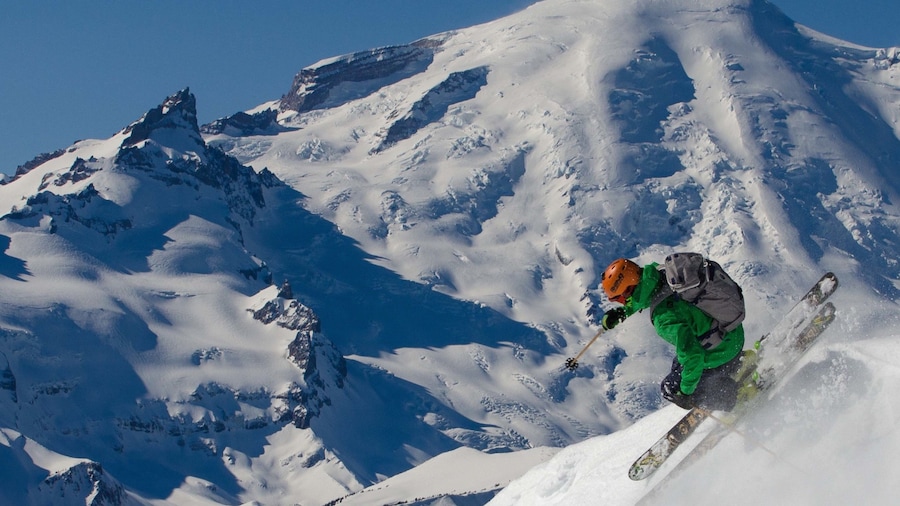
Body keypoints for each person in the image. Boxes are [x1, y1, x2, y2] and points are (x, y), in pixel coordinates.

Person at [600, 258, 745, 411]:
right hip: (732, 330)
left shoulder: (664, 319)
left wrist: (686, 393)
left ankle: (734, 397)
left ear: (628, 290)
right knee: (678, 365)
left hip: (724, 350)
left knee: (670, 387)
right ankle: (736, 364)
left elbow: (693, 356)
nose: (622, 303)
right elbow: (647, 293)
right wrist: (623, 313)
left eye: (619, 299)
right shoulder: (662, 273)